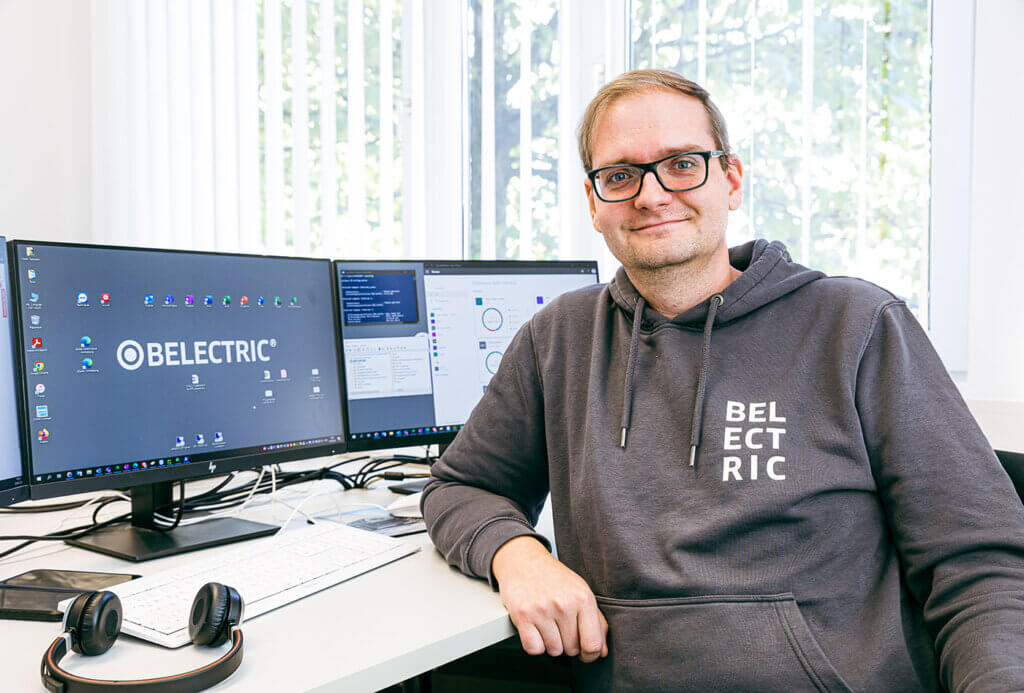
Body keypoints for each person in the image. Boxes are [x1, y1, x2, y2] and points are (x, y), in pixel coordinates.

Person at [421, 69, 1024, 691]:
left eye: (681, 163)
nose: (651, 196)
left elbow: (979, 564)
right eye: (620, 175)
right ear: (594, 203)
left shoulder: (857, 325)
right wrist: (517, 555)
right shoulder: (559, 338)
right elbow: (460, 486)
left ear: (730, 180)